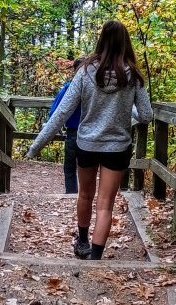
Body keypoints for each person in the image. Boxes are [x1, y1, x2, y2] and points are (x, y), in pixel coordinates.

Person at [27, 20, 153, 260]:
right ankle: (95, 257)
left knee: (85, 194)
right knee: (106, 203)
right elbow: (146, 115)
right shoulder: (133, 77)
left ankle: (82, 241)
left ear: (101, 41)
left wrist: (36, 146)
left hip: (86, 144)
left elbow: (63, 111)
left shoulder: (85, 72)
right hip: (117, 148)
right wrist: (127, 111)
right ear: (125, 42)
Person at [48, 57, 85, 194]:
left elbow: (55, 112)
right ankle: (87, 195)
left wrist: (50, 130)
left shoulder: (68, 89)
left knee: (70, 167)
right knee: (88, 167)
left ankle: (71, 194)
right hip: (92, 134)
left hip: (73, 133)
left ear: (75, 70)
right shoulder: (95, 90)